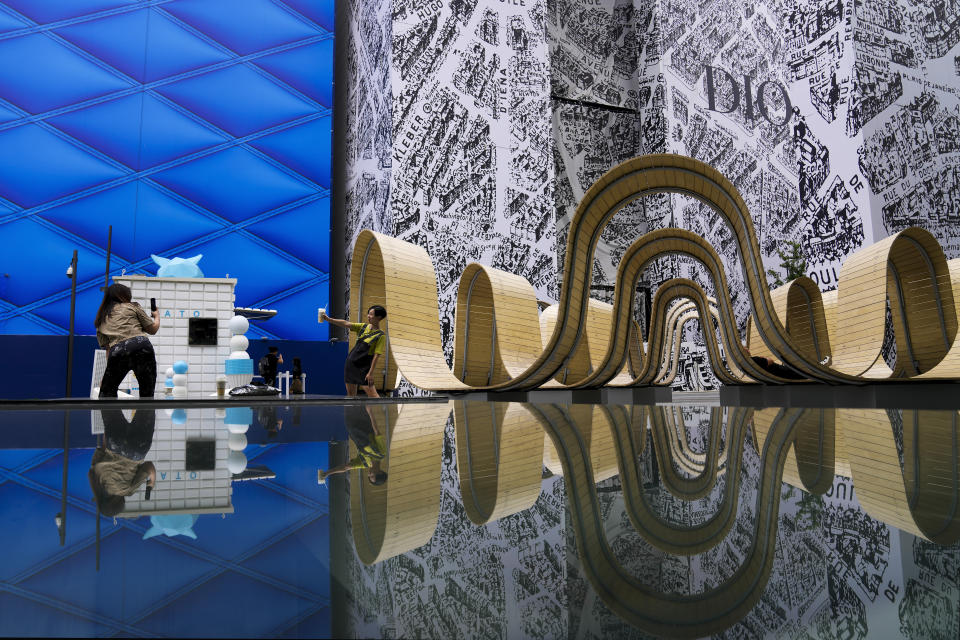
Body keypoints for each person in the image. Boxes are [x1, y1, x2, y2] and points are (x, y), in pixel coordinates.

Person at [95, 283, 160, 398]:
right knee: (147, 393)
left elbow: (108, 349)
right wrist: (156, 316)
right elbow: (152, 329)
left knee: (107, 394)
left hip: (118, 350)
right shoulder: (132, 306)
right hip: (141, 345)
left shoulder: (101, 317)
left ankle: (112, 415)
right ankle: (146, 414)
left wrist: (107, 374)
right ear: (124, 296)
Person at [88, 409, 157, 516]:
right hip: (115, 443)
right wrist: (109, 429)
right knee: (108, 398)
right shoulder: (95, 479)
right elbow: (104, 446)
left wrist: (152, 482)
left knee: (146, 400)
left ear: (120, 503)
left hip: (137, 449)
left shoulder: (128, 491)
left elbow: (149, 466)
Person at [321, 305, 387, 397]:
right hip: (351, 363)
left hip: (364, 367)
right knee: (351, 395)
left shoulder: (381, 336)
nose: (368, 316)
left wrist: (370, 373)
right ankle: (350, 411)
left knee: (373, 396)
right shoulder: (363, 327)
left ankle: (379, 412)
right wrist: (328, 319)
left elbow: (376, 355)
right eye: (368, 313)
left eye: (371, 314)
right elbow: (345, 323)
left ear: (379, 317)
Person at [318, 404, 387, 485]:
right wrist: (370, 412)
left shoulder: (364, 463)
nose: (369, 474)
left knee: (349, 399)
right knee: (358, 399)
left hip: (351, 426)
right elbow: (376, 431)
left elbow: (345, 467)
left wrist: (327, 473)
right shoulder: (382, 453)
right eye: (372, 475)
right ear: (380, 472)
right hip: (364, 421)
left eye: (369, 476)